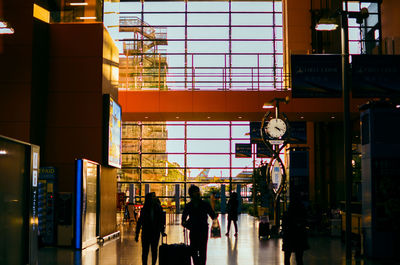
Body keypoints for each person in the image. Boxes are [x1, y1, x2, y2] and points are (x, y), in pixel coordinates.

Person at [182, 185, 217, 265]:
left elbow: (212, 216)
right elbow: (183, 220)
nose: (197, 193)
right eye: (195, 192)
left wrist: (188, 225)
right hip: (197, 230)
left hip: (201, 230)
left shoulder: (192, 205)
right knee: (196, 251)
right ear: (191, 194)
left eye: (198, 191)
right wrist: (187, 225)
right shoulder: (201, 204)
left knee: (201, 251)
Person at [135, 192, 166, 265]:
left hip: (155, 233)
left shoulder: (158, 208)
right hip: (146, 233)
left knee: (154, 250)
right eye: (153, 197)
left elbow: (161, 220)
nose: (155, 198)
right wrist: (137, 233)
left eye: (154, 196)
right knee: (145, 251)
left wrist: (162, 231)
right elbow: (140, 222)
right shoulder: (144, 209)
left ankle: (153, 264)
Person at [281, 200, 309, 265]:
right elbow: (305, 224)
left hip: (289, 238)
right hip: (300, 239)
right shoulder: (302, 215)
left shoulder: (287, 214)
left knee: (287, 258)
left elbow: (284, 226)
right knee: (299, 258)